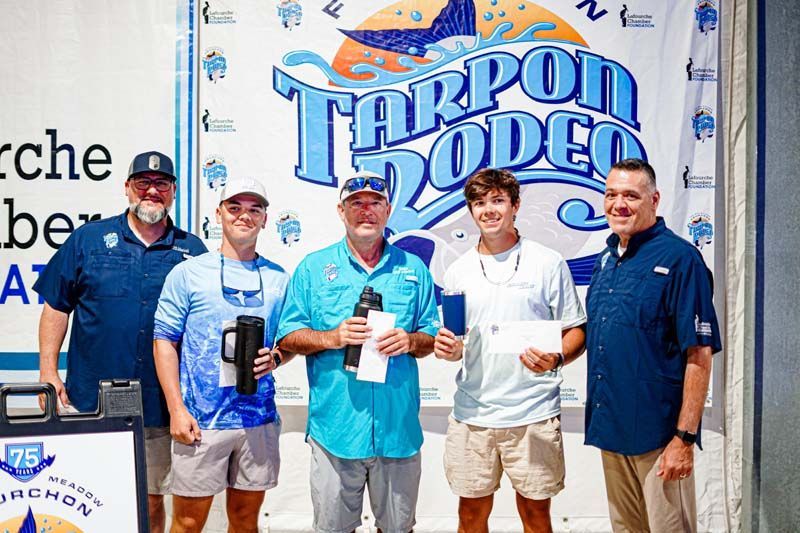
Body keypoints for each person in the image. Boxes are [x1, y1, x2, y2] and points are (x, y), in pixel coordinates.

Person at [33, 150, 207, 533]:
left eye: (162, 184)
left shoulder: (193, 252)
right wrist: (48, 370)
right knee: (86, 495)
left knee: (149, 498)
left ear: (174, 191)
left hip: (160, 403)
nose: (152, 191)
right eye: (143, 182)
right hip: (91, 397)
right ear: (127, 187)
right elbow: (55, 308)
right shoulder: (88, 240)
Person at [276, 170, 439, 533]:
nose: (366, 211)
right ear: (341, 210)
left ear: (388, 210)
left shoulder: (413, 269)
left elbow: (430, 335)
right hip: (336, 431)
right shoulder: (313, 268)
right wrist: (332, 338)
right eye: (357, 204)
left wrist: (411, 341)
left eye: (375, 203)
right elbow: (288, 336)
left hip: (397, 432)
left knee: (398, 529)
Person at [433, 168, 586, 533]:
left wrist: (557, 357)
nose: (489, 210)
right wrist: (448, 349)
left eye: (498, 201)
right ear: (470, 211)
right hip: (474, 413)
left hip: (533, 413)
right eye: (479, 202)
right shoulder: (457, 271)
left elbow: (576, 329)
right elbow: (456, 342)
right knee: (470, 515)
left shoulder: (548, 263)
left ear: (515, 206)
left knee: (535, 515)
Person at [584, 158, 722, 532]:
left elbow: (699, 354)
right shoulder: (606, 258)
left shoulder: (681, 259)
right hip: (611, 431)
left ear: (654, 200)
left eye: (631, 195)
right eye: (611, 194)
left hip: (659, 438)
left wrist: (683, 438)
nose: (619, 204)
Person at [153, 178, 291, 532]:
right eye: (235, 208)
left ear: (264, 218)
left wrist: (275, 358)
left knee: (245, 521)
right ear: (218, 214)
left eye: (254, 209)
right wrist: (177, 409)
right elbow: (164, 341)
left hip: (256, 418)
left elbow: (290, 340)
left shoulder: (279, 279)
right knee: (186, 522)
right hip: (201, 422)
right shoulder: (188, 273)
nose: (244, 216)